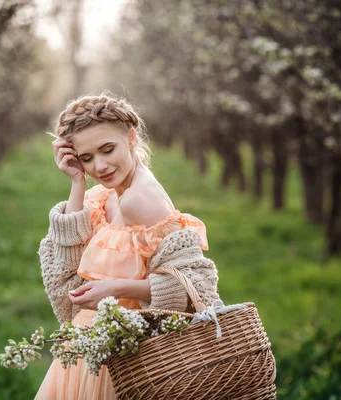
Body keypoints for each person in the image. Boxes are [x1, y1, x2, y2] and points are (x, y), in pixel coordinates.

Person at [35, 93, 220, 400]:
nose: (101, 166)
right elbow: (64, 276)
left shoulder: (139, 200)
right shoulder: (105, 196)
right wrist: (77, 182)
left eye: (108, 149)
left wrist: (113, 288)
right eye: (87, 157)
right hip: (89, 351)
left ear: (132, 138)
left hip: (124, 364)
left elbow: (194, 288)